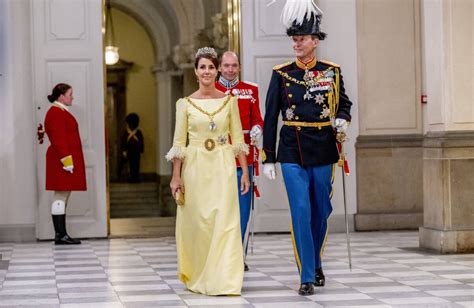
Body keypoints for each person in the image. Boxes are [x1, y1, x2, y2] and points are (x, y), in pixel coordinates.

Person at [262, 1, 352, 296]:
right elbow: (270, 116)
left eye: (302, 38)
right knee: (301, 210)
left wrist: (342, 119)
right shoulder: (281, 74)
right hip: (291, 149)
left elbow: (344, 103)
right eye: (294, 39)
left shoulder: (332, 72)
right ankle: (306, 275)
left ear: (315, 41)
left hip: (324, 148)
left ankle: (315, 262)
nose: (296, 43)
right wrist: (269, 158)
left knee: (320, 211)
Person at [166, 47, 250, 295]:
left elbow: (237, 141)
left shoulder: (229, 101)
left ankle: (225, 280)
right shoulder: (185, 104)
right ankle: (201, 275)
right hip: (196, 167)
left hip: (223, 165)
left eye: (211, 67)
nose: (207, 71)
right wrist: (175, 176)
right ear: (195, 71)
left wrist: (244, 172)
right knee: (200, 224)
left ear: (217, 71)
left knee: (225, 223)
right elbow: (179, 144)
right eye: (202, 67)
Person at [216, 51, 263, 271]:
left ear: (240, 67)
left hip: (244, 156)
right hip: (218, 157)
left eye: (234, 65)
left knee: (243, 211)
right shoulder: (212, 91)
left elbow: (257, 118)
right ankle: (221, 256)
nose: (230, 69)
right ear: (219, 67)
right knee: (220, 210)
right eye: (226, 65)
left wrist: (257, 128)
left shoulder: (250, 90)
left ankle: (239, 256)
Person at [43, 83, 86, 245]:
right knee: (60, 195)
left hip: (62, 159)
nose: (72, 97)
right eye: (70, 94)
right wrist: (67, 161)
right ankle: (60, 235)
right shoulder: (56, 112)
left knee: (63, 195)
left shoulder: (59, 111)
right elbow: (59, 139)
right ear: (61, 96)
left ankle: (61, 234)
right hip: (61, 160)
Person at [121, 113, 144, 183]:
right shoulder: (126, 133)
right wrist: (124, 151)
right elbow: (124, 142)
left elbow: (141, 141)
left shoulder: (138, 132)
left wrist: (141, 150)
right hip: (129, 152)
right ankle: (131, 177)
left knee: (136, 165)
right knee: (130, 166)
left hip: (136, 152)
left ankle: (136, 177)